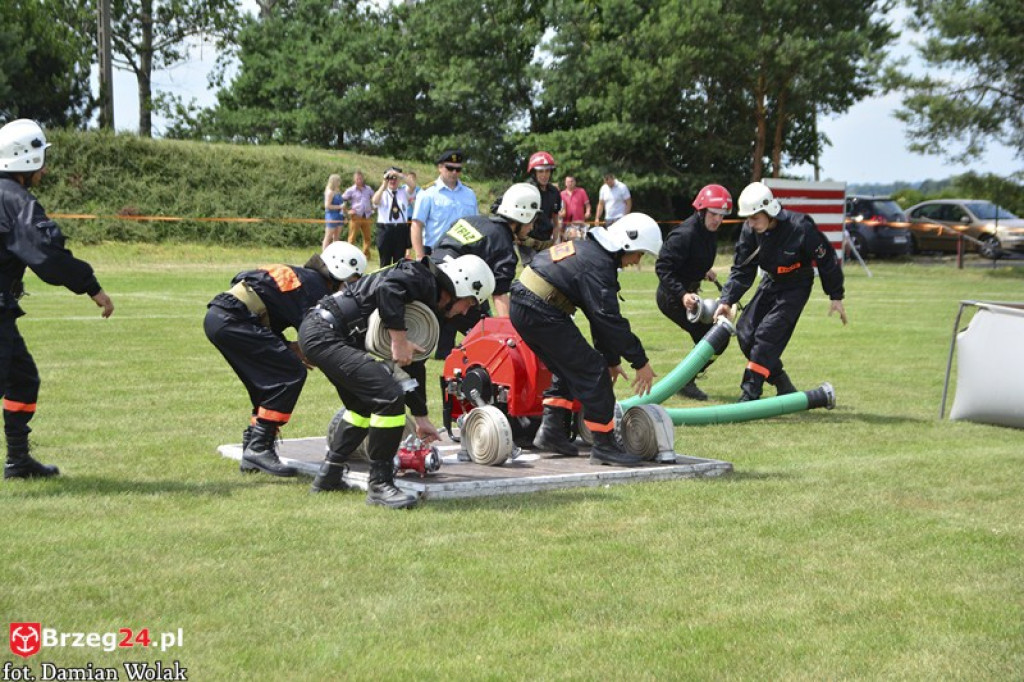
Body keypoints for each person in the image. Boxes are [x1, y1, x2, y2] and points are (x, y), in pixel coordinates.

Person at [298, 254, 495, 508]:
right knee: (389, 396)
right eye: (468, 303)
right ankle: (380, 485)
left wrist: (421, 416)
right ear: (461, 285)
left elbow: (412, 366)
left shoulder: (425, 298)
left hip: (323, 331)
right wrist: (399, 341)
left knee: (361, 407)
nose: (465, 311)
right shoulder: (422, 278)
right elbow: (388, 289)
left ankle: (329, 475)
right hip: (325, 333)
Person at [0, 119, 115, 480]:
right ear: (22, 159)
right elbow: (47, 257)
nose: (45, 168)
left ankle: (19, 461)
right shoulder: (16, 201)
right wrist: (91, 286)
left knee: (21, 379)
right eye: (39, 159)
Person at [509, 213, 661, 466]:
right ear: (627, 244)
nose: (637, 261)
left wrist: (612, 358)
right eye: (640, 253)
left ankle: (552, 431)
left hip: (526, 304)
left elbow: (597, 319)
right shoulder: (599, 266)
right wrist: (639, 361)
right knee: (593, 371)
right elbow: (609, 321)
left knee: (569, 366)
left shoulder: (590, 251)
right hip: (540, 308)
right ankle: (604, 445)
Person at [204, 242, 367, 477]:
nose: (347, 289)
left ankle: (253, 446)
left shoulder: (304, 278)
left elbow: (262, 303)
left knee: (267, 381)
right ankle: (259, 447)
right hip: (236, 321)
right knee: (290, 374)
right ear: (339, 269)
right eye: (350, 280)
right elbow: (318, 338)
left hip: (223, 318)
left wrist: (288, 345)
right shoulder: (315, 287)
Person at [714, 181, 848, 402]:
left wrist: (836, 295)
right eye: (748, 218)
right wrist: (727, 300)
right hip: (771, 282)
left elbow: (826, 259)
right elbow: (742, 268)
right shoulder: (750, 230)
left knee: (767, 335)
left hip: (797, 285)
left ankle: (750, 393)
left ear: (770, 211)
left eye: (755, 218)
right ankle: (782, 383)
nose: (750, 223)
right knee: (746, 333)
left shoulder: (801, 227)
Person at [430, 183, 542, 358]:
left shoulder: (472, 220)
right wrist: (510, 335)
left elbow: (439, 247)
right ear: (523, 217)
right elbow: (500, 293)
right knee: (489, 339)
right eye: (532, 221)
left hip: (430, 278)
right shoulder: (503, 242)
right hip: (457, 288)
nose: (532, 228)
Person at [655, 184, 734, 401]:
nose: (717, 220)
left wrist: (702, 270)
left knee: (716, 338)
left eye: (722, 215)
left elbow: (691, 258)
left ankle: (686, 380)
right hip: (671, 297)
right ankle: (685, 382)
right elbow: (662, 267)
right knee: (713, 338)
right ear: (701, 210)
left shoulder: (707, 231)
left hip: (689, 294)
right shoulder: (684, 234)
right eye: (714, 214)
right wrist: (682, 295)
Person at [410, 149, 478, 260]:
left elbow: (475, 225)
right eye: (450, 168)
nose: (454, 172)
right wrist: (420, 256)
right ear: (440, 167)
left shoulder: (469, 194)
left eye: (458, 169)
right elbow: (416, 226)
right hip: (435, 254)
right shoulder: (427, 193)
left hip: (464, 255)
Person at [520, 151, 563, 265]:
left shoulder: (554, 192)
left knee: (548, 271)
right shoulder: (527, 190)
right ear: (534, 172)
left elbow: (555, 220)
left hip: (546, 241)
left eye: (547, 171)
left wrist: (555, 240)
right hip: (528, 242)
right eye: (540, 171)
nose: (544, 175)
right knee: (534, 270)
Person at [372, 166, 411, 267]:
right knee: (385, 261)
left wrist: (399, 175)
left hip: (400, 230)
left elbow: (412, 185)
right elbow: (375, 201)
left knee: (399, 262)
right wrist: (384, 184)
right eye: (390, 178)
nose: (392, 181)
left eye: (395, 178)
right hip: (385, 230)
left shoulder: (404, 192)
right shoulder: (382, 193)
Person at [342, 171, 375, 260]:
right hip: (356, 216)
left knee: (367, 237)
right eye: (357, 179)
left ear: (363, 178)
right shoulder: (351, 190)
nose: (359, 180)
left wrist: (374, 208)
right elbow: (342, 200)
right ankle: (349, 256)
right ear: (354, 179)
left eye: (360, 178)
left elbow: (375, 198)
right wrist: (348, 211)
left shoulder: (368, 189)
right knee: (352, 237)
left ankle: (366, 256)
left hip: (367, 216)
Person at [560, 175, 591, 240]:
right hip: (567, 224)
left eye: (571, 181)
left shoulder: (581, 191)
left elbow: (587, 205)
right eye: (568, 182)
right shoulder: (562, 194)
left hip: (580, 223)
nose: (570, 183)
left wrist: (588, 212)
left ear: (575, 182)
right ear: (565, 183)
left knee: (581, 242)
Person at [323, 174, 345, 250]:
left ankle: (334, 253)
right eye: (338, 181)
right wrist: (339, 207)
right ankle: (324, 254)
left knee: (337, 236)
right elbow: (327, 206)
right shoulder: (330, 192)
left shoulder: (337, 190)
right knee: (328, 236)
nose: (340, 182)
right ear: (334, 181)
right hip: (332, 215)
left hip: (339, 215)